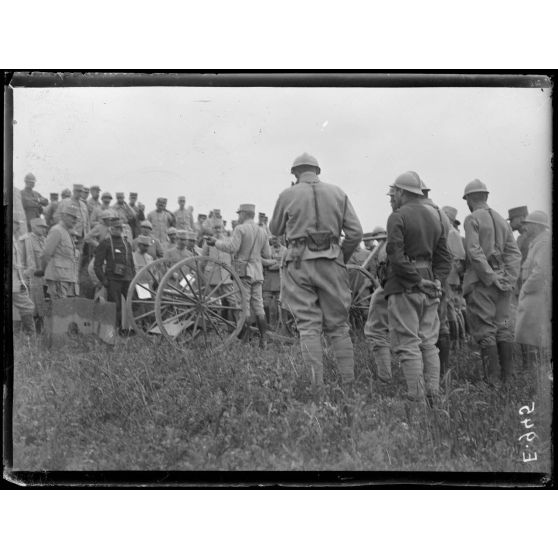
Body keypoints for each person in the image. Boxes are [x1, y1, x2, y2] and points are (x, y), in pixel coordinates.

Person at [270, 153, 363, 393]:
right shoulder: (338, 193)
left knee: (308, 326)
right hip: (332, 261)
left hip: (299, 262)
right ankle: (349, 384)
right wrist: (340, 256)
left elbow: (275, 229)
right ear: (318, 171)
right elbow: (355, 233)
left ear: (295, 173)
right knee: (339, 326)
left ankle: (316, 387)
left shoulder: (287, 194)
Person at [384, 171, 452, 411]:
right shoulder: (436, 216)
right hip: (430, 286)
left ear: (402, 192)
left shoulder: (397, 216)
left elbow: (395, 255)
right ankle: (434, 395)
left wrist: (415, 280)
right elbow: (445, 257)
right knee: (428, 343)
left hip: (405, 286)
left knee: (408, 343)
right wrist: (437, 281)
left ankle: (417, 401)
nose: (393, 197)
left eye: (394, 193)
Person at [462, 179, 521, 384]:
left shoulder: (472, 219)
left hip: (482, 285)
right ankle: (509, 378)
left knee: (486, 329)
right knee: (503, 327)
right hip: (503, 285)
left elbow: (474, 251)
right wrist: (508, 279)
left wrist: (490, 277)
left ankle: (493, 382)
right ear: (486, 196)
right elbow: (514, 253)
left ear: (469, 198)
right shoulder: (502, 220)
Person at [207, 203, 271, 348]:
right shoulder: (263, 232)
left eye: (239, 214)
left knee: (244, 306)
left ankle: (245, 341)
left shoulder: (240, 229)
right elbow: (267, 254)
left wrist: (215, 243)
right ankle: (264, 340)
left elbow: (231, 248)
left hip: (243, 273)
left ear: (244, 214)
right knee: (259, 306)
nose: (238, 216)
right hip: (258, 272)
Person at [364, 188, 395, 385]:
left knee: (376, 330)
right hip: (426, 283)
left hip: (393, 284)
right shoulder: (434, 218)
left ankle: (385, 378)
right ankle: (429, 386)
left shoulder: (398, 219)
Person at [514, 211, 551, 362]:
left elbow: (540, 271)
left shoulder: (543, 243)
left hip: (535, 293)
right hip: (533, 293)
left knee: (531, 333)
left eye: (528, 224)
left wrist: (526, 288)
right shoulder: (537, 242)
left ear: (536, 226)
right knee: (528, 332)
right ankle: (531, 369)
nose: (526, 227)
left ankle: (533, 370)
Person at [94, 218, 135, 333]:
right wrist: (104, 280)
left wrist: (134, 278)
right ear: (110, 229)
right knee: (115, 306)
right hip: (113, 280)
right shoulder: (105, 243)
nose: (119, 230)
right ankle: (113, 330)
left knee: (132, 304)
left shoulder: (126, 243)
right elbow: (97, 265)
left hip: (127, 279)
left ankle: (129, 328)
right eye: (116, 228)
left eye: (120, 228)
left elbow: (131, 263)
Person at [39, 204, 80, 299]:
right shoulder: (57, 231)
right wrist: (43, 270)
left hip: (66, 278)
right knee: (58, 309)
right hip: (57, 278)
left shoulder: (67, 233)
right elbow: (46, 254)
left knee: (63, 310)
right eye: (72, 217)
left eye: (76, 218)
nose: (75, 220)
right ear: (64, 216)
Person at [442, 206, 467, 343]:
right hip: (451, 276)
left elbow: (459, 258)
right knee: (453, 310)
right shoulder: (450, 232)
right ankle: (459, 341)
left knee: (452, 310)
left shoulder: (451, 233)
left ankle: (457, 341)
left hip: (450, 276)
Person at [20, 218, 49, 331]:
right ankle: (28, 335)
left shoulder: (45, 240)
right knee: (31, 309)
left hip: (44, 279)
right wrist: (24, 277)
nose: (43, 229)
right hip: (31, 279)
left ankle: (40, 334)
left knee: (42, 308)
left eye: (45, 227)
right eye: (41, 227)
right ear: (34, 227)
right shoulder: (26, 240)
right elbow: (21, 261)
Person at [261, 235, 288, 327]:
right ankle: (267, 325)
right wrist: (277, 264)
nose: (273, 240)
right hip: (268, 282)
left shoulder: (285, 250)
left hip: (280, 282)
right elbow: (264, 263)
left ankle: (281, 325)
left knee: (281, 306)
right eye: (272, 239)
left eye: (275, 238)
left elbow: (285, 264)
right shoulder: (267, 250)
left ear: (280, 239)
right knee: (265, 304)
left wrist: (273, 264)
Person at [13, 235, 36, 335]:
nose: (18, 226)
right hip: (15, 280)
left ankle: (30, 338)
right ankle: (31, 338)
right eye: (16, 223)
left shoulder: (14, 238)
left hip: (18, 279)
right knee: (27, 306)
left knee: (27, 306)